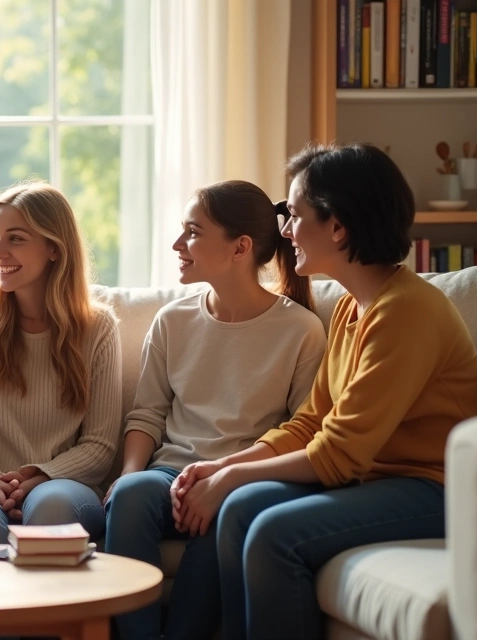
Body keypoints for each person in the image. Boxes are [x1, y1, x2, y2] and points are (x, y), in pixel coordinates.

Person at [169, 144, 477, 639]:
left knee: (274, 536)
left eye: (294, 216)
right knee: (237, 510)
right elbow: (309, 422)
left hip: (436, 489)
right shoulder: (350, 308)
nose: (284, 232)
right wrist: (224, 468)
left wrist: (230, 478)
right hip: (380, 482)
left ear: (337, 227)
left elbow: (339, 454)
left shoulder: (405, 312)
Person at [103, 181, 327, 640]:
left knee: (228, 516)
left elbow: (304, 431)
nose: (177, 245)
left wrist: (226, 478)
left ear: (239, 248)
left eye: (192, 232)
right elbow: (146, 414)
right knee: (130, 497)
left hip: (241, 481)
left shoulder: (301, 330)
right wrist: (129, 471)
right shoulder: (173, 320)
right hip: (170, 477)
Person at [0, 180, 122, 543]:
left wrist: (39, 477)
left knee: (52, 506)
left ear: (54, 248)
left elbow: (99, 446)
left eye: (16, 239)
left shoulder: (99, 327)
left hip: (63, 485)